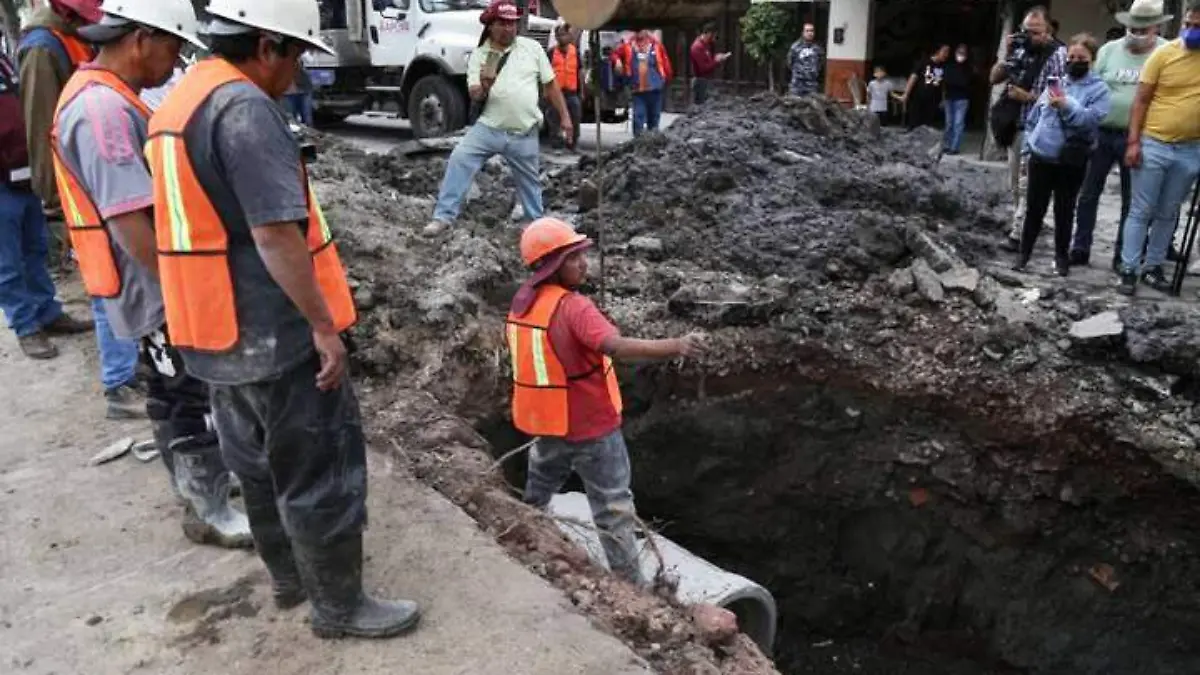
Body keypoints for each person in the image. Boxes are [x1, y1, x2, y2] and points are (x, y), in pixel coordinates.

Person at [147, 0, 422, 638]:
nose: (298, 71)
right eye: (296, 53)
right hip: (272, 332)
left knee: (255, 465)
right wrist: (323, 327)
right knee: (319, 469)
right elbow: (275, 235)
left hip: (212, 328)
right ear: (265, 44)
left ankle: (290, 581)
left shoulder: (181, 101)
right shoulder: (243, 110)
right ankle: (339, 608)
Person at [52, 0, 253, 548]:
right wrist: (182, 289)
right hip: (152, 282)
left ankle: (210, 484)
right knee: (182, 391)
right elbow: (129, 218)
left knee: (183, 389)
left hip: (152, 278)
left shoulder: (110, 99)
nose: (173, 63)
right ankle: (207, 508)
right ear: (141, 38)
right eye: (171, 47)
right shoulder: (103, 114)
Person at [508, 218, 706, 585]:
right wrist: (676, 346)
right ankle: (630, 586)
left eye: (583, 255)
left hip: (549, 421)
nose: (584, 263)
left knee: (540, 483)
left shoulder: (525, 303)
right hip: (591, 425)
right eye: (573, 258)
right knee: (613, 507)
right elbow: (616, 347)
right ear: (551, 265)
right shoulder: (574, 308)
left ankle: (524, 532)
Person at [18, 0, 144, 417]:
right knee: (106, 279)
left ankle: (126, 373)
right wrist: (53, 199)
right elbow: (41, 124)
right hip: (78, 183)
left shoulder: (65, 40)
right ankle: (120, 383)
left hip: (87, 175)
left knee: (112, 280)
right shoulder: (42, 47)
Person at [424, 1, 572, 236]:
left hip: (524, 131)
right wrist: (484, 86)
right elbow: (474, 93)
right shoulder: (480, 56)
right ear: (491, 26)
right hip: (489, 129)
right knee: (460, 158)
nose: (509, 29)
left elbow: (551, 85)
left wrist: (565, 117)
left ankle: (536, 227)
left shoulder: (531, 48)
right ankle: (443, 217)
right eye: (503, 23)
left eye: (512, 23)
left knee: (530, 185)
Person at [0, 51, 93, 360]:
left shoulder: (6, 61)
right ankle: (26, 327)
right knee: (7, 262)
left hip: (23, 172)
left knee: (35, 249)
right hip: (2, 182)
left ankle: (48, 312)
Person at [1071, 0, 1170, 269]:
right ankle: (1080, 247)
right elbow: (1091, 85)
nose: (1136, 33)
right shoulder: (1109, 51)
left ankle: (1122, 254)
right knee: (1089, 193)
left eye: (1143, 29)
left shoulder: (1166, 53)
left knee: (1132, 201)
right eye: (1132, 28)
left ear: (1157, 27)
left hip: (1138, 136)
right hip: (1101, 132)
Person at [1117, 0, 1200, 295]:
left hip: (1191, 149)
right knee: (1142, 209)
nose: (1191, 31)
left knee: (1169, 211)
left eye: (1197, 27)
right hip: (1155, 143)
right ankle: (1128, 268)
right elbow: (1140, 101)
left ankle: (1153, 266)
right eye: (1188, 24)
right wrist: (1133, 141)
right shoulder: (1164, 55)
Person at [1013, 34, 1111, 277]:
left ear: (1092, 60)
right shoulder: (1055, 83)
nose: (1074, 61)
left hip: (1071, 160)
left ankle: (1061, 257)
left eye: (1081, 58)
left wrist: (1066, 105)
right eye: (1071, 57)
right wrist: (1028, 148)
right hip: (1041, 156)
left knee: (1064, 210)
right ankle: (1024, 254)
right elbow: (1035, 117)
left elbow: (1090, 122)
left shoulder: (1099, 90)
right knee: (1035, 208)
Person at [991, 6, 1068, 252]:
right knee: (1016, 184)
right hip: (1015, 125)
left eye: (1036, 32)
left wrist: (1029, 97)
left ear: (1049, 31)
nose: (1031, 37)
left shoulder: (1058, 56)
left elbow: (1059, 98)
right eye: (1027, 31)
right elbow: (994, 78)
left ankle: (1019, 235)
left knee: (1026, 184)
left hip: (1038, 128)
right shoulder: (1021, 50)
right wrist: (1008, 52)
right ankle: (1024, 223)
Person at [613, 29, 673, 136]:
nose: (639, 32)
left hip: (655, 89)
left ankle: (652, 144)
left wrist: (666, 79)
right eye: (637, 30)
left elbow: (665, 62)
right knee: (638, 117)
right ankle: (638, 142)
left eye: (641, 29)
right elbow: (615, 54)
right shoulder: (628, 46)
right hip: (638, 90)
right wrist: (617, 61)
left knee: (654, 119)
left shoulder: (656, 46)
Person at [546, 22, 582, 148]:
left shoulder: (575, 52)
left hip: (572, 92)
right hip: (556, 92)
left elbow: (579, 72)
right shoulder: (551, 53)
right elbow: (545, 74)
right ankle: (556, 145)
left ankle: (572, 144)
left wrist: (582, 92)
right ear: (556, 37)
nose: (562, 37)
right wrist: (546, 92)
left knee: (575, 117)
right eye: (559, 35)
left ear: (569, 36)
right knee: (554, 119)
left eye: (564, 35)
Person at [898, 45, 949, 130]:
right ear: (937, 51)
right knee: (914, 124)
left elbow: (943, 84)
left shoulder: (944, 66)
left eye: (948, 52)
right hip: (918, 98)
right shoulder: (923, 62)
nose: (946, 54)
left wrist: (943, 99)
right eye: (944, 51)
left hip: (933, 100)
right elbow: (913, 77)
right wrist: (906, 94)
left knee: (926, 126)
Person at [943, 44, 973, 154]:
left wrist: (954, 82)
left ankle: (954, 148)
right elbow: (946, 80)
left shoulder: (968, 68)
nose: (961, 55)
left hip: (962, 99)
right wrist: (957, 82)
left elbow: (966, 82)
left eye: (963, 53)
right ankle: (946, 145)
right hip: (949, 98)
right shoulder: (949, 66)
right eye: (959, 52)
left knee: (958, 124)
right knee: (949, 123)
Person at [690, 22, 730, 105]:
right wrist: (716, 61)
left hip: (707, 80)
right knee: (701, 108)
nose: (715, 38)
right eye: (714, 35)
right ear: (709, 34)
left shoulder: (706, 45)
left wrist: (716, 58)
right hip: (700, 82)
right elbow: (703, 68)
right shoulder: (697, 47)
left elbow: (708, 61)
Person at [787, 23, 823, 96]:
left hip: (812, 84)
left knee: (812, 105)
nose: (810, 33)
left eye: (812, 31)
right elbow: (789, 62)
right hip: (797, 84)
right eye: (807, 31)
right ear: (803, 32)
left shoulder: (818, 48)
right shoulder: (795, 47)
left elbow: (820, 63)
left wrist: (813, 72)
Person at [283, 56, 314, 126]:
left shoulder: (301, 58)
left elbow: (308, 61)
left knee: (307, 117)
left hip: (304, 91)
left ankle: (308, 133)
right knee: (291, 117)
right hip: (289, 92)